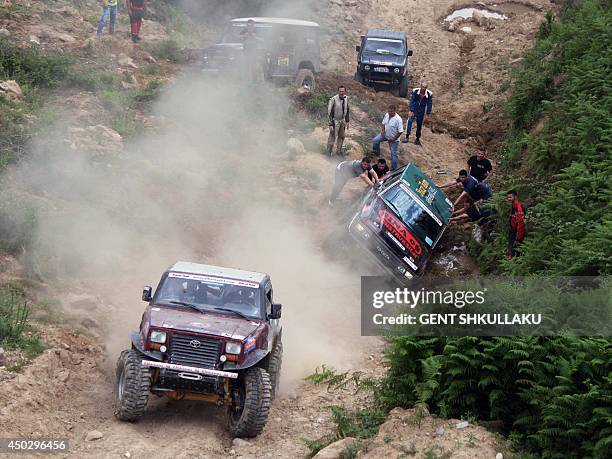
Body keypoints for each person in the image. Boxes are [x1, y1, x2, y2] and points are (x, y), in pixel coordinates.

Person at [372, 105, 403, 170]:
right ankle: (376, 153)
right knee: (375, 140)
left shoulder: (398, 119)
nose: (389, 113)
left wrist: (394, 138)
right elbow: (383, 123)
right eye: (389, 111)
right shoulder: (387, 115)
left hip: (393, 139)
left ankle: (394, 168)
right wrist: (383, 130)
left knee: (393, 153)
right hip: (385, 135)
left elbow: (400, 131)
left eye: (391, 111)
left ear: (395, 111)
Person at [402, 79, 432, 146]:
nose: (424, 88)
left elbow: (429, 104)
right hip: (414, 109)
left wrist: (428, 113)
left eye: (425, 87)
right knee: (409, 121)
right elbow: (412, 101)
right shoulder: (415, 91)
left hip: (422, 110)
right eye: (423, 87)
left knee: (419, 124)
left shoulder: (429, 94)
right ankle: (407, 137)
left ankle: (417, 139)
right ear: (420, 86)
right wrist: (411, 110)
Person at [327, 86, 350, 156]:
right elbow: (329, 112)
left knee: (342, 136)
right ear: (338, 92)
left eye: (343, 91)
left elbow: (347, 109)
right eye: (340, 91)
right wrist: (330, 124)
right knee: (332, 136)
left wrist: (347, 121)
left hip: (342, 120)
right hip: (335, 121)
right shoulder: (333, 99)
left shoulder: (346, 98)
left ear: (345, 92)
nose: (341, 93)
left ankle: (338, 151)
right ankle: (328, 152)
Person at [507, 189, 525, 259]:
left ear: (515, 197)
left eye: (510, 197)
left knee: (515, 251)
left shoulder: (518, 208)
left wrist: (518, 238)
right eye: (508, 197)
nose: (509, 199)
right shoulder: (513, 206)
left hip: (517, 232)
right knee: (511, 249)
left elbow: (521, 223)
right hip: (513, 230)